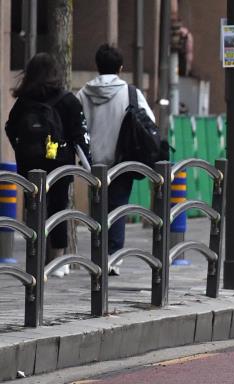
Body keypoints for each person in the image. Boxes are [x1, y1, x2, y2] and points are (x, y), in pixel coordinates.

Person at [4, 53, 91, 278]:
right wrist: (89, 165)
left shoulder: (24, 101)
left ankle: (35, 256)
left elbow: (10, 127)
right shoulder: (67, 100)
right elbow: (80, 135)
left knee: (34, 209)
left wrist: (22, 149)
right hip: (60, 164)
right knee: (58, 208)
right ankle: (59, 261)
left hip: (30, 164)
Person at [77, 44, 155, 276]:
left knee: (97, 207)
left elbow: (76, 124)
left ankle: (98, 254)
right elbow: (149, 121)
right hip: (122, 158)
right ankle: (112, 257)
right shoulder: (131, 93)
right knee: (117, 207)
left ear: (97, 66)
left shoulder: (82, 93)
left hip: (92, 161)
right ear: (120, 68)